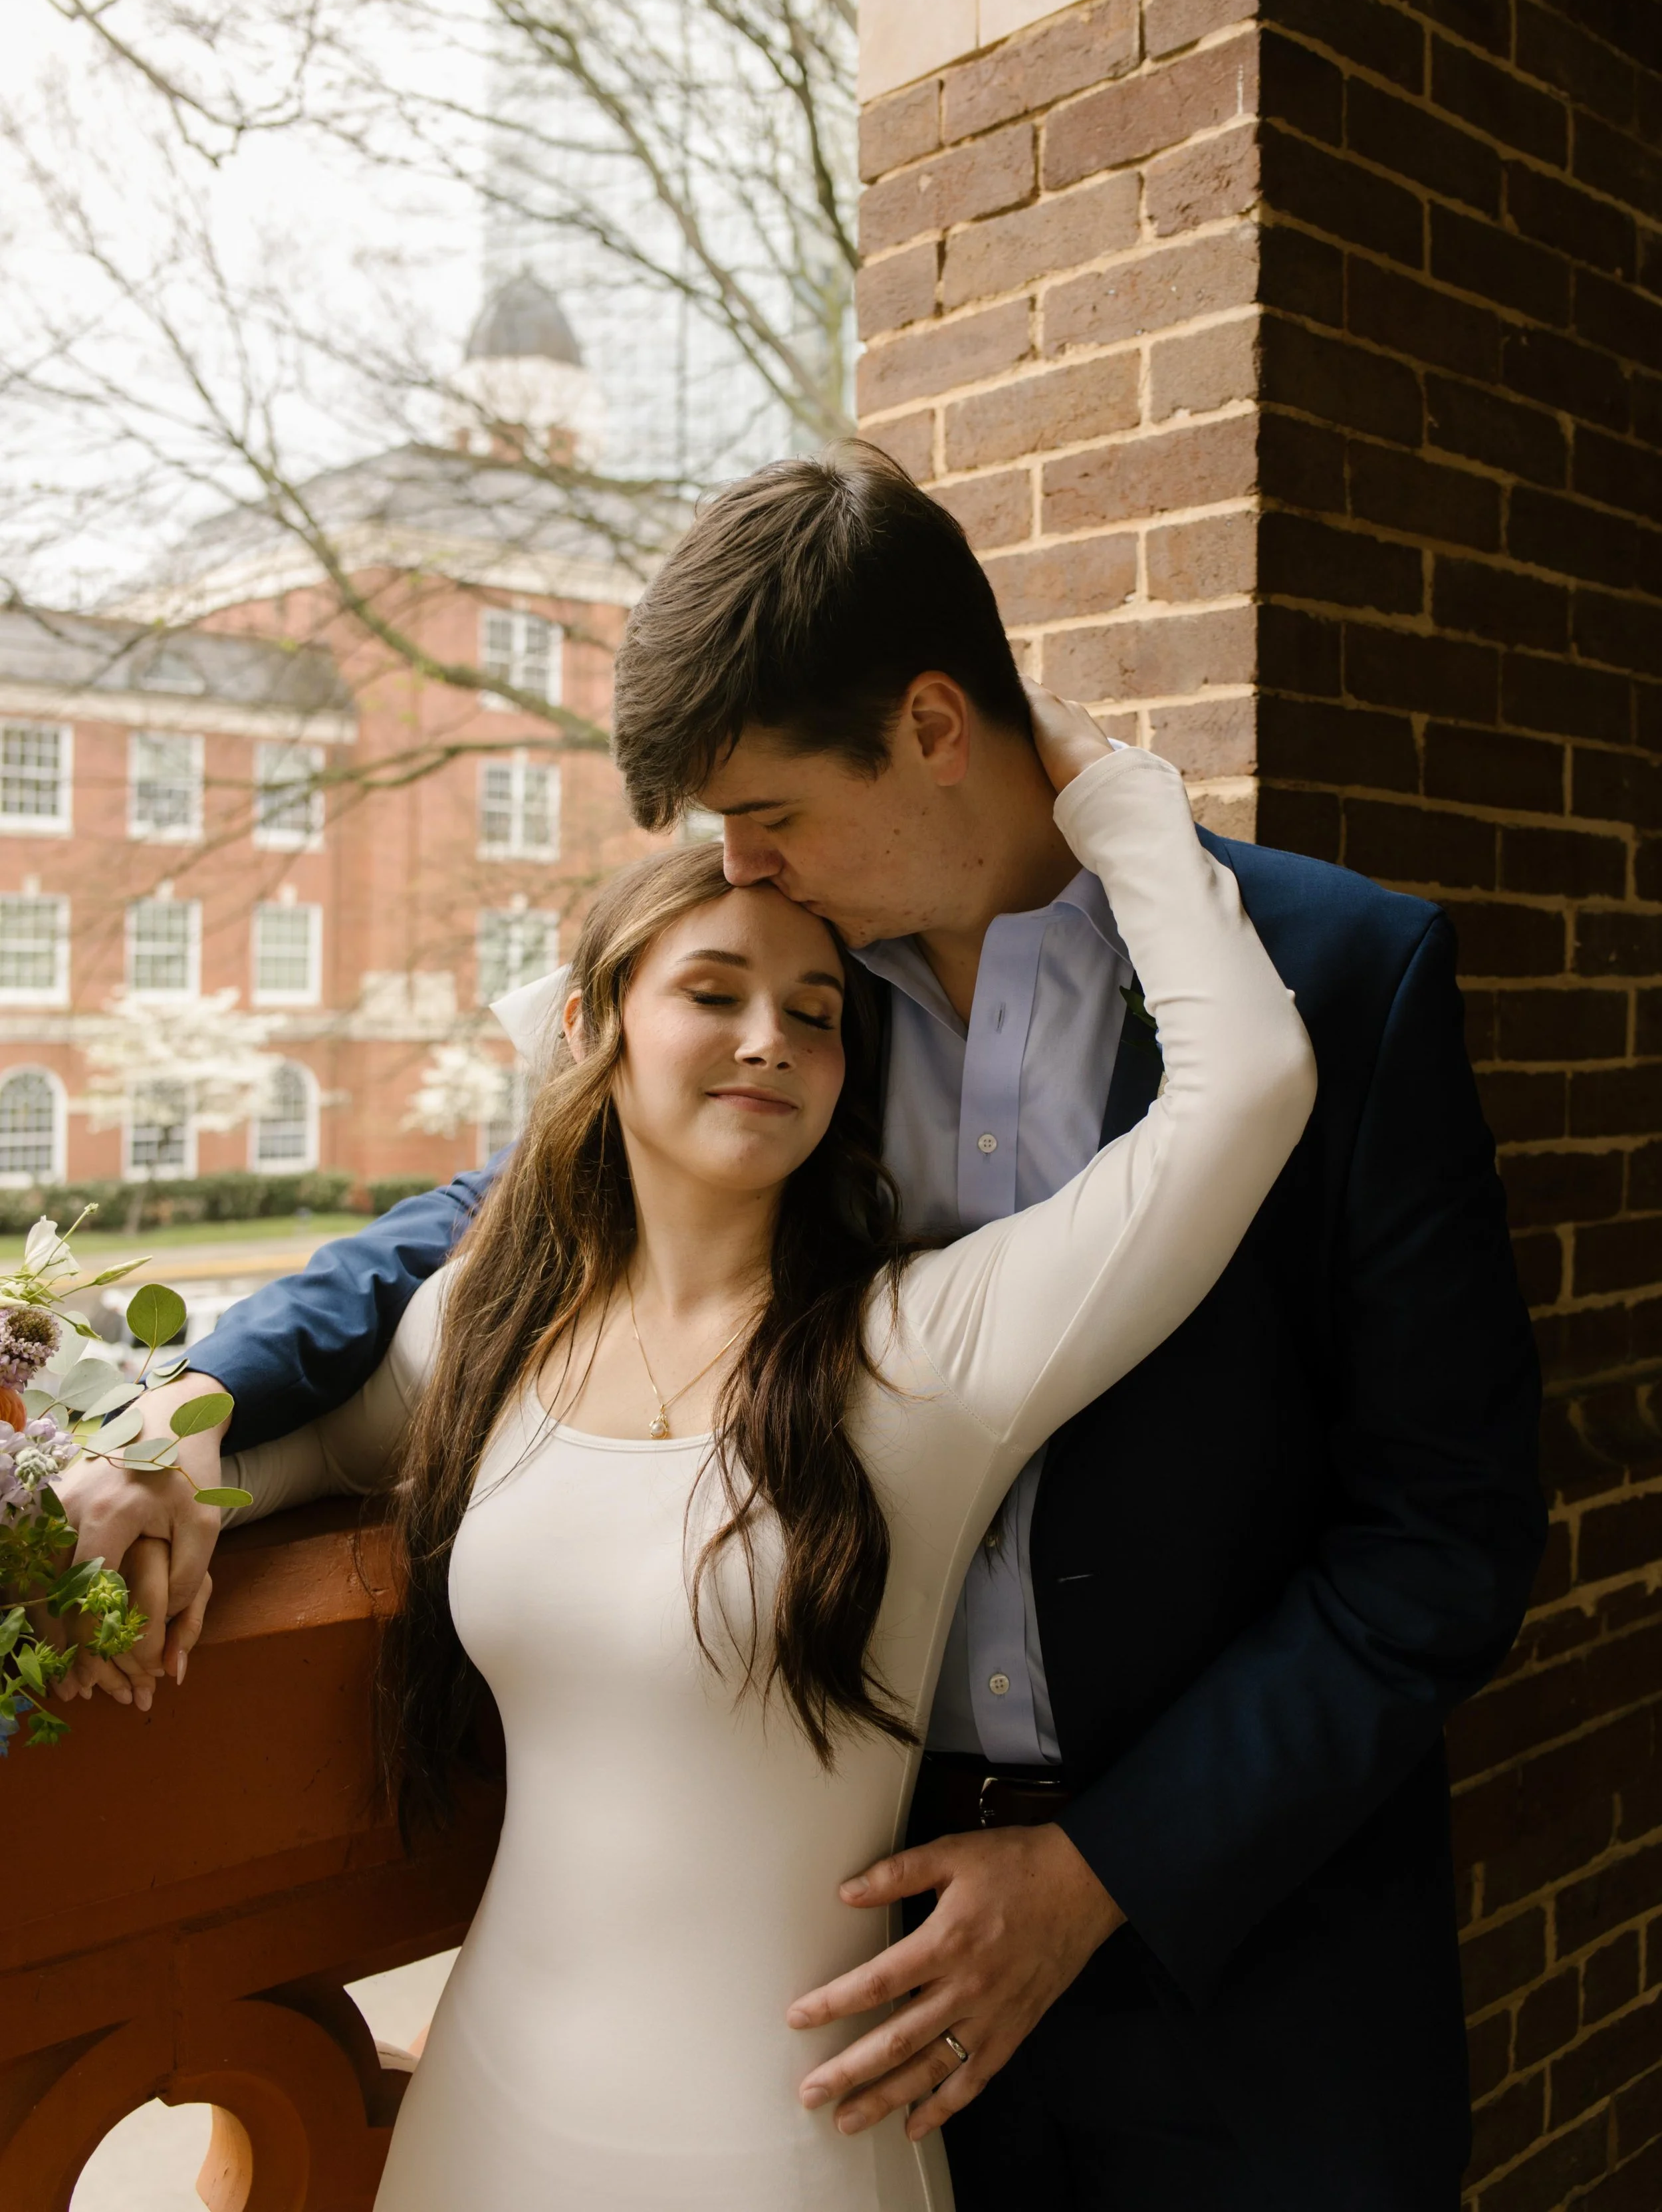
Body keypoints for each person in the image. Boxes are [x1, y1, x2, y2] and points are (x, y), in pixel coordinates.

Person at [60, 443, 1543, 2211]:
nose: (734, 862)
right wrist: (182, 1409)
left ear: (930, 725)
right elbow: (482, 1227)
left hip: (1241, 1972)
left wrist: (1097, 1867)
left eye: (764, 809)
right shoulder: (794, 990)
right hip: (839, 1990)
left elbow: (1439, 1535)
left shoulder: (1334, 972)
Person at [199, 711, 1311, 2211]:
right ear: (590, 1032)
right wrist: (151, 1491)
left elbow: (1241, 1089)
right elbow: (317, 1445)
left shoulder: (922, 1354)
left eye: (813, 1014)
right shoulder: (490, 1319)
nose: (766, 1043)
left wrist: (1099, 791)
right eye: (712, 994)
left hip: (785, 2132)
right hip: (486, 2108)